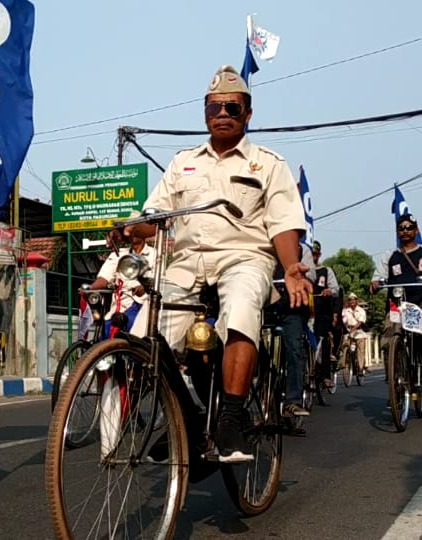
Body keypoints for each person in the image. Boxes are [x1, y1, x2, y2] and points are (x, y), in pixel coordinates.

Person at [123, 65, 311, 463]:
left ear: (248, 114)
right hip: (186, 264)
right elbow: (156, 215)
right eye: (214, 107)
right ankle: (187, 421)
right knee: (144, 336)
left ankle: (229, 419)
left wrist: (292, 268)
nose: (222, 113)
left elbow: (283, 223)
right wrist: (132, 230)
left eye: (232, 107)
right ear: (204, 112)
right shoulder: (182, 163)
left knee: (242, 308)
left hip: (244, 259)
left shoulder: (268, 163)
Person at [370, 213, 422, 363]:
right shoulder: (389, 256)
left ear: (416, 230)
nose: (405, 231)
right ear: (397, 232)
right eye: (401, 228)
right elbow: (378, 276)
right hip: (397, 305)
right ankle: (395, 370)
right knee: (388, 338)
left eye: (409, 228)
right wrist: (375, 284)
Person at [89, 211, 155, 339]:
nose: (133, 233)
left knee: (134, 334)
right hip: (116, 313)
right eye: (130, 230)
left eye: (136, 229)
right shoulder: (118, 255)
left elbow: (159, 282)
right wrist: (89, 289)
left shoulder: (155, 255)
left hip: (141, 310)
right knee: (100, 336)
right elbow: (103, 278)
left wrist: (144, 287)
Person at [271, 243, 317, 420]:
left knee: (294, 348)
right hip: (266, 304)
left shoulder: (302, 249)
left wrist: (301, 277)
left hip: (293, 307)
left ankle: (293, 400)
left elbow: (310, 274)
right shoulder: (259, 243)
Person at [310, 240, 340, 375]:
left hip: (322, 310)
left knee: (323, 338)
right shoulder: (302, 270)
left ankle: (326, 374)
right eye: (309, 254)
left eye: (314, 254)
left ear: (319, 254)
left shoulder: (326, 271)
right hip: (306, 309)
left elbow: (336, 289)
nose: (312, 256)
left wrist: (329, 291)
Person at [340, 293, 369, 375]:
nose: (352, 301)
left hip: (358, 332)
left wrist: (353, 329)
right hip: (348, 331)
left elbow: (360, 322)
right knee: (344, 345)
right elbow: (343, 320)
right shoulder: (346, 311)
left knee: (360, 349)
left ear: (356, 300)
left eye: (354, 299)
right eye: (350, 300)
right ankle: (343, 364)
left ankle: (360, 368)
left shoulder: (361, 311)